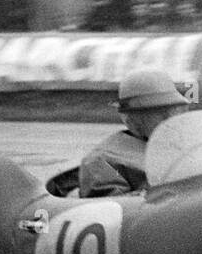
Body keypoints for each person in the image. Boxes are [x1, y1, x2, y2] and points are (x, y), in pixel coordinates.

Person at [79, 69, 192, 197]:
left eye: (175, 110)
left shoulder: (187, 147)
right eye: (161, 113)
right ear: (132, 120)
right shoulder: (101, 161)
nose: (172, 119)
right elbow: (119, 211)